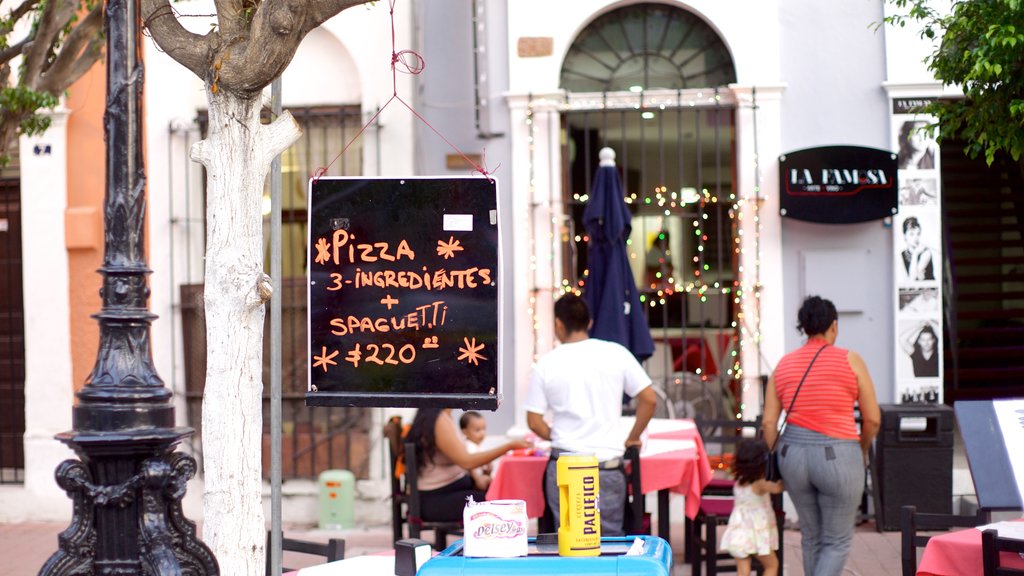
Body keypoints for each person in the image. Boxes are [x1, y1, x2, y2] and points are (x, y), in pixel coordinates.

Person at [762, 295, 881, 576]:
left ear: (803, 327)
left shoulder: (784, 364)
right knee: (837, 541)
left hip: (793, 455)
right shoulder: (850, 360)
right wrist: (861, 449)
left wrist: (780, 456)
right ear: (834, 327)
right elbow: (873, 419)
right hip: (839, 455)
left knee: (811, 536)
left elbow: (769, 423)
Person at [524, 293, 658, 536]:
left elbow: (533, 421)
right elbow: (649, 399)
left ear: (558, 324)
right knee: (608, 545)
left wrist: (558, 435)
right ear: (590, 322)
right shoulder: (616, 353)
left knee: (567, 541)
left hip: (564, 464)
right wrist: (632, 437)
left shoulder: (546, 363)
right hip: (606, 466)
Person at [405, 408, 530, 522]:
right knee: (499, 502)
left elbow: (463, 461)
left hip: (446, 491)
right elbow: (466, 461)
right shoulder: (439, 419)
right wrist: (508, 446)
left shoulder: (444, 415)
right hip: (434, 500)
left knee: (499, 491)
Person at [718, 438, 784, 576]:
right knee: (772, 565)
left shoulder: (739, 480)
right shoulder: (759, 483)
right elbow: (778, 488)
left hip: (739, 533)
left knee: (743, 572)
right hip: (755, 535)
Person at [459, 410, 493, 490]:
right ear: (465, 432)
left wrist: (488, 471)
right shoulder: (468, 446)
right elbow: (470, 466)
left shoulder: (479, 447)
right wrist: (478, 479)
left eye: (483, 429)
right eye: (477, 430)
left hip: (479, 478)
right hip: (471, 480)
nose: (482, 433)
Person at [900, 216, 935, 282]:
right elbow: (905, 280)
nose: (916, 237)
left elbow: (913, 279)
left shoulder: (926, 252)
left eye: (918, 234)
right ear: (905, 236)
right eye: (912, 234)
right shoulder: (902, 254)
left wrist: (915, 254)